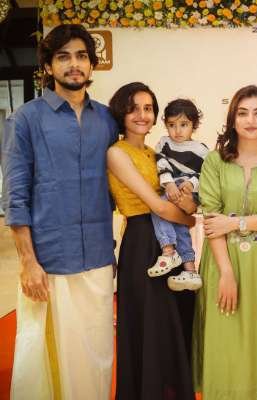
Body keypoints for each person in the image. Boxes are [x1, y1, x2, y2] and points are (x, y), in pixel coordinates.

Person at [2, 24, 117, 400]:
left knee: (98, 357)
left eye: (81, 56)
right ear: (49, 66)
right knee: (48, 364)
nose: (74, 64)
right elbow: (16, 196)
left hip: (98, 256)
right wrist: (27, 262)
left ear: (92, 64)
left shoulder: (106, 120)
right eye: (63, 57)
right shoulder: (27, 118)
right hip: (50, 260)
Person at [191, 85, 257, 399]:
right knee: (225, 336)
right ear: (233, 118)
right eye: (243, 113)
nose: (251, 120)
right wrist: (226, 273)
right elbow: (212, 218)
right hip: (222, 263)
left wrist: (235, 223)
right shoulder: (214, 161)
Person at [107, 82, 197, 400]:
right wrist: (189, 220)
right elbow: (157, 206)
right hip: (143, 243)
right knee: (151, 325)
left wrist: (189, 208)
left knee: (172, 324)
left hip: (168, 242)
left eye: (148, 108)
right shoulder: (116, 153)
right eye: (133, 108)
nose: (142, 115)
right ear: (121, 112)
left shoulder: (156, 152)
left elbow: (187, 201)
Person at [148, 98, 208, 291]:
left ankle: (168, 250)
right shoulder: (164, 143)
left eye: (184, 125)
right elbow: (161, 164)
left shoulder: (201, 149)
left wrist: (191, 184)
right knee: (179, 225)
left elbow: (206, 174)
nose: (177, 131)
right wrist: (169, 184)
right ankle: (190, 269)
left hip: (189, 191)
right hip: (171, 186)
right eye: (172, 125)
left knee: (158, 206)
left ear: (194, 125)